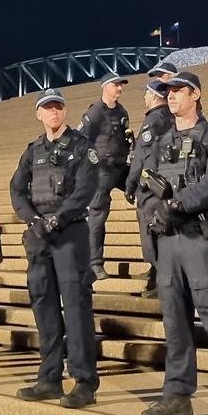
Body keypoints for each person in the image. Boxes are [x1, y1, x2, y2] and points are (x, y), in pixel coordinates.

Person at [135, 72, 208, 415]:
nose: (171, 97)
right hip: (169, 243)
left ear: (196, 94)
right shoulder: (161, 140)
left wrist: (178, 203)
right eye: (167, 92)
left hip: (202, 240)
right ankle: (178, 395)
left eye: (179, 91)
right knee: (174, 322)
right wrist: (155, 211)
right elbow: (145, 181)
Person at [8, 88, 100, 409]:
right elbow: (17, 188)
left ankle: (84, 381)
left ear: (64, 111)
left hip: (70, 235)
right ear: (39, 114)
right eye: (48, 108)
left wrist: (58, 218)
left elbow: (86, 188)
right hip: (39, 237)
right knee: (44, 307)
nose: (54, 113)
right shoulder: (32, 151)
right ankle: (49, 378)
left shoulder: (81, 146)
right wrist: (33, 219)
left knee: (75, 309)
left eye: (58, 107)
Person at [123, 79, 175, 299]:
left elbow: (141, 157)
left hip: (151, 188)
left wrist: (130, 185)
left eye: (146, 94)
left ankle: (162, 286)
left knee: (152, 237)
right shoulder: (172, 117)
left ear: (154, 96)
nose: (144, 98)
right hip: (168, 185)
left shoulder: (152, 120)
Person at [80, 73, 132, 281]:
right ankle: (95, 263)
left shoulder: (121, 111)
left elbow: (127, 138)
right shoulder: (95, 112)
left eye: (120, 85)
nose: (120, 88)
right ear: (105, 87)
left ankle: (156, 261)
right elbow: (81, 139)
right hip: (101, 170)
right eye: (116, 85)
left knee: (148, 196)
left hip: (121, 168)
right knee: (98, 216)